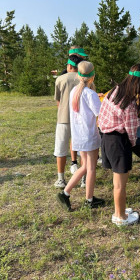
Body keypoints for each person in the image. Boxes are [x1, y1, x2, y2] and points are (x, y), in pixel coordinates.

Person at [98, 64, 140, 226]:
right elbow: (131, 131)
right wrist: (132, 144)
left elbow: (101, 116)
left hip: (107, 138)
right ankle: (121, 217)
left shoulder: (114, 91)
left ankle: (119, 210)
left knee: (117, 182)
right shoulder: (129, 104)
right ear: (139, 83)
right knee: (120, 184)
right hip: (119, 142)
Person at [56, 61, 105, 211]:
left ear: (78, 75)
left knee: (85, 167)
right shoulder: (90, 94)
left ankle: (66, 193)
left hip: (78, 135)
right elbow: (100, 114)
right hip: (89, 135)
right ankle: (88, 200)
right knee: (90, 168)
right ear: (93, 76)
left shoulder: (74, 91)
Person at [53, 55, 84, 188]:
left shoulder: (60, 79)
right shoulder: (85, 79)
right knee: (83, 150)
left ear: (69, 66)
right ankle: (84, 179)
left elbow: (58, 100)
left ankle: (61, 179)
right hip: (81, 119)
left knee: (61, 149)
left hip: (63, 118)